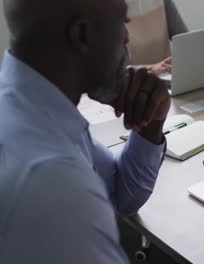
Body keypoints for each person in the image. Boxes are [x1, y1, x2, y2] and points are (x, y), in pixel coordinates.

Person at [0, 0, 170, 263]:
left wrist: (151, 122)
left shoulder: (33, 109)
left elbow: (119, 195)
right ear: (82, 35)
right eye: (123, 23)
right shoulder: (53, 183)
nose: (127, 38)